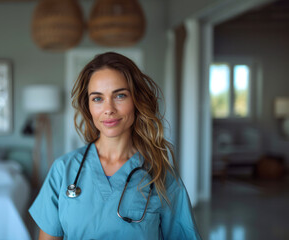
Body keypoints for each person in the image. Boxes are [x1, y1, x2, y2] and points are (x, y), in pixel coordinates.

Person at [29, 52, 202, 240]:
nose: (109, 109)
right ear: (88, 106)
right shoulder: (63, 170)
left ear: (136, 100)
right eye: (97, 98)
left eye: (120, 96)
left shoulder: (161, 174)